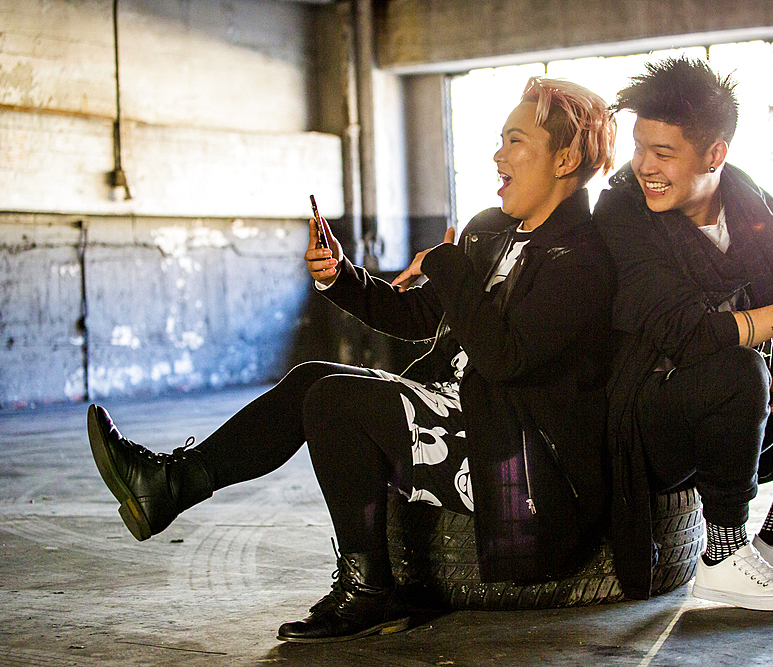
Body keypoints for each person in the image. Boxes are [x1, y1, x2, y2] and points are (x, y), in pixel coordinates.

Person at [87, 77, 617, 641]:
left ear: (566, 158)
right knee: (313, 378)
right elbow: (416, 318)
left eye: (515, 141)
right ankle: (169, 485)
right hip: (462, 416)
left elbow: (506, 359)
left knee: (338, 402)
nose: (496, 155)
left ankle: (369, 590)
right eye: (499, 140)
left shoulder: (582, 260)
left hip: (518, 458)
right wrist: (341, 277)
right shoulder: (491, 233)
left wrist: (449, 267)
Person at [593, 57, 773, 611]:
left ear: (715, 155)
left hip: (739, 413)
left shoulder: (749, 200)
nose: (644, 166)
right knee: (736, 365)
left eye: (664, 153)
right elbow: (678, 330)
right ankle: (723, 553)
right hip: (653, 419)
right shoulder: (623, 208)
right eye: (639, 148)